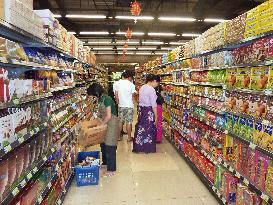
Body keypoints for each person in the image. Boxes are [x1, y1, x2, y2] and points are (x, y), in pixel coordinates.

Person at [87, 83, 119, 177]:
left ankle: (111, 169)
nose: (92, 97)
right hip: (105, 123)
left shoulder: (107, 99)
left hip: (111, 123)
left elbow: (109, 115)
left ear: (96, 92)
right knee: (103, 144)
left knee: (110, 145)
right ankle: (105, 163)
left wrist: (101, 124)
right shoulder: (100, 99)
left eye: (93, 94)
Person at [133, 74, 159, 153]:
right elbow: (154, 105)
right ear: (154, 81)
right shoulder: (151, 89)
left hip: (142, 110)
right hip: (148, 111)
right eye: (157, 83)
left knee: (141, 128)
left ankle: (139, 147)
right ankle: (147, 148)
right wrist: (156, 115)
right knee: (149, 129)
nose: (157, 85)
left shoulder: (142, 87)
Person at [114, 70, 136, 142]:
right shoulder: (131, 85)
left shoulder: (117, 83)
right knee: (129, 122)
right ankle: (129, 138)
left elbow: (116, 96)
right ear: (129, 77)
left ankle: (118, 137)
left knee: (120, 121)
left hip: (121, 105)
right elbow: (132, 97)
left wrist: (118, 103)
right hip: (129, 105)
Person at [155, 76, 164, 143]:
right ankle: (158, 138)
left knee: (153, 121)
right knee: (159, 122)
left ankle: (153, 136)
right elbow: (162, 96)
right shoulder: (160, 87)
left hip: (153, 106)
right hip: (159, 106)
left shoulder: (150, 87)